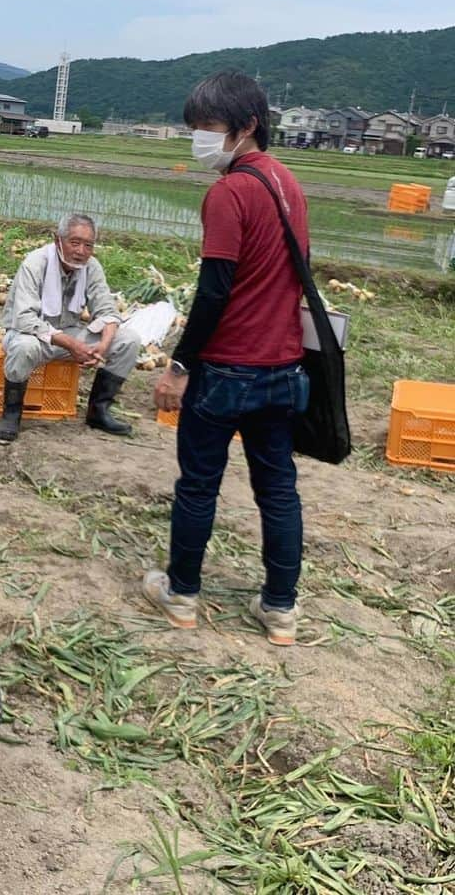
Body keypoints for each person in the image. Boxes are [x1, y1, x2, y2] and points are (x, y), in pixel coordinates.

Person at [146, 70, 310, 646]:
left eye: (210, 128)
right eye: (195, 128)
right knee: (279, 489)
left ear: (247, 127)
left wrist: (179, 366)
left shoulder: (229, 192)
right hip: (284, 370)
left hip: (226, 370)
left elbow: (215, 290)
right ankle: (281, 610)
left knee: (198, 485)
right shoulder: (288, 183)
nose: (200, 139)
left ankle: (182, 595)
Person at [0, 213, 142, 442]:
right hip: (32, 335)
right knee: (24, 347)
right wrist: (71, 344)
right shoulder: (36, 263)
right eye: (75, 242)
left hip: (68, 333)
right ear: (58, 240)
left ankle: (98, 411)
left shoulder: (91, 267)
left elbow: (108, 312)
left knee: (128, 340)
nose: (81, 251)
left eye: (88, 245)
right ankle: (12, 413)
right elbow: (24, 319)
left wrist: (102, 346)